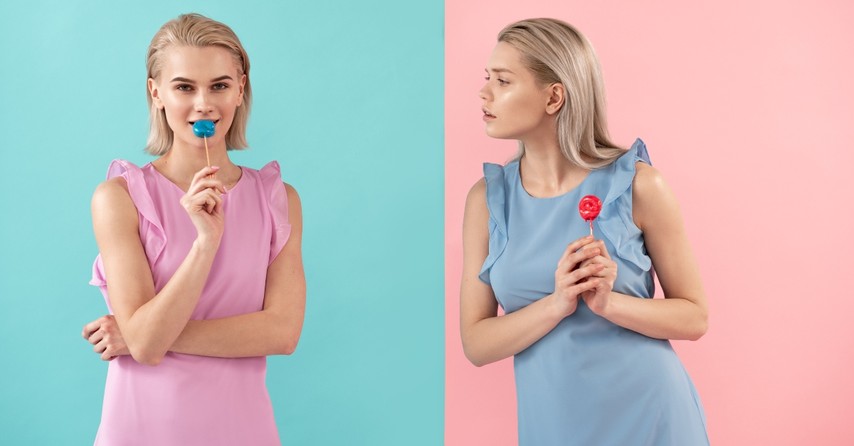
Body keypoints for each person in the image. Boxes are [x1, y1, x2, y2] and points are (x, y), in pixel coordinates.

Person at [460, 18, 709, 445]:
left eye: (503, 81)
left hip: (650, 414)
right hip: (555, 424)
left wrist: (609, 304)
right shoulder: (487, 200)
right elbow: (477, 343)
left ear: (554, 96)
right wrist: (557, 303)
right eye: (487, 79)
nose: (484, 93)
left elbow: (694, 316)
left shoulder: (638, 185)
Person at [80, 13, 305, 445]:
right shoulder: (119, 198)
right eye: (184, 87)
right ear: (156, 93)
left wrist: (141, 332)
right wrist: (205, 243)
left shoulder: (278, 198)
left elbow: (283, 332)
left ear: (240, 88)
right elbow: (146, 345)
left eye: (219, 85)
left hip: (243, 430)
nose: (204, 103)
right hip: (142, 429)